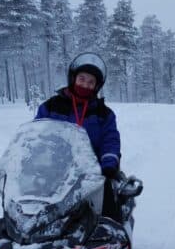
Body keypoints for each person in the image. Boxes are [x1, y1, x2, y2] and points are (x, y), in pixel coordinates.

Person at [35, 52, 122, 218]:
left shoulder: (104, 113)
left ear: (96, 86)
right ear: (73, 78)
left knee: (108, 203)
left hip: (92, 170)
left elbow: (110, 140)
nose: (85, 85)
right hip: (55, 167)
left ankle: (113, 236)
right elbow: (36, 135)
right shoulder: (51, 106)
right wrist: (36, 160)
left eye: (91, 82)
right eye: (82, 79)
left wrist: (108, 163)